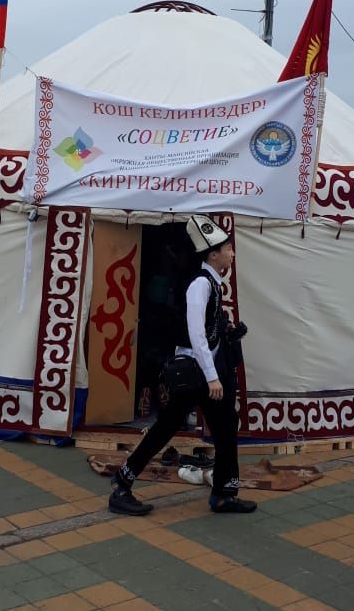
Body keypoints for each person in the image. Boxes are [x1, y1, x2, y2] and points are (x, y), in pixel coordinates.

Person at [108, 214, 257, 517]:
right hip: (197, 374)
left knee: (227, 428)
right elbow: (196, 334)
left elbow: (210, 330)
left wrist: (228, 333)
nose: (232, 252)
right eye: (228, 248)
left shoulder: (214, 285)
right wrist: (213, 378)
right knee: (165, 429)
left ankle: (225, 494)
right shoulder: (200, 285)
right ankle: (122, 485)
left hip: (209, 371)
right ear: (213, 254)